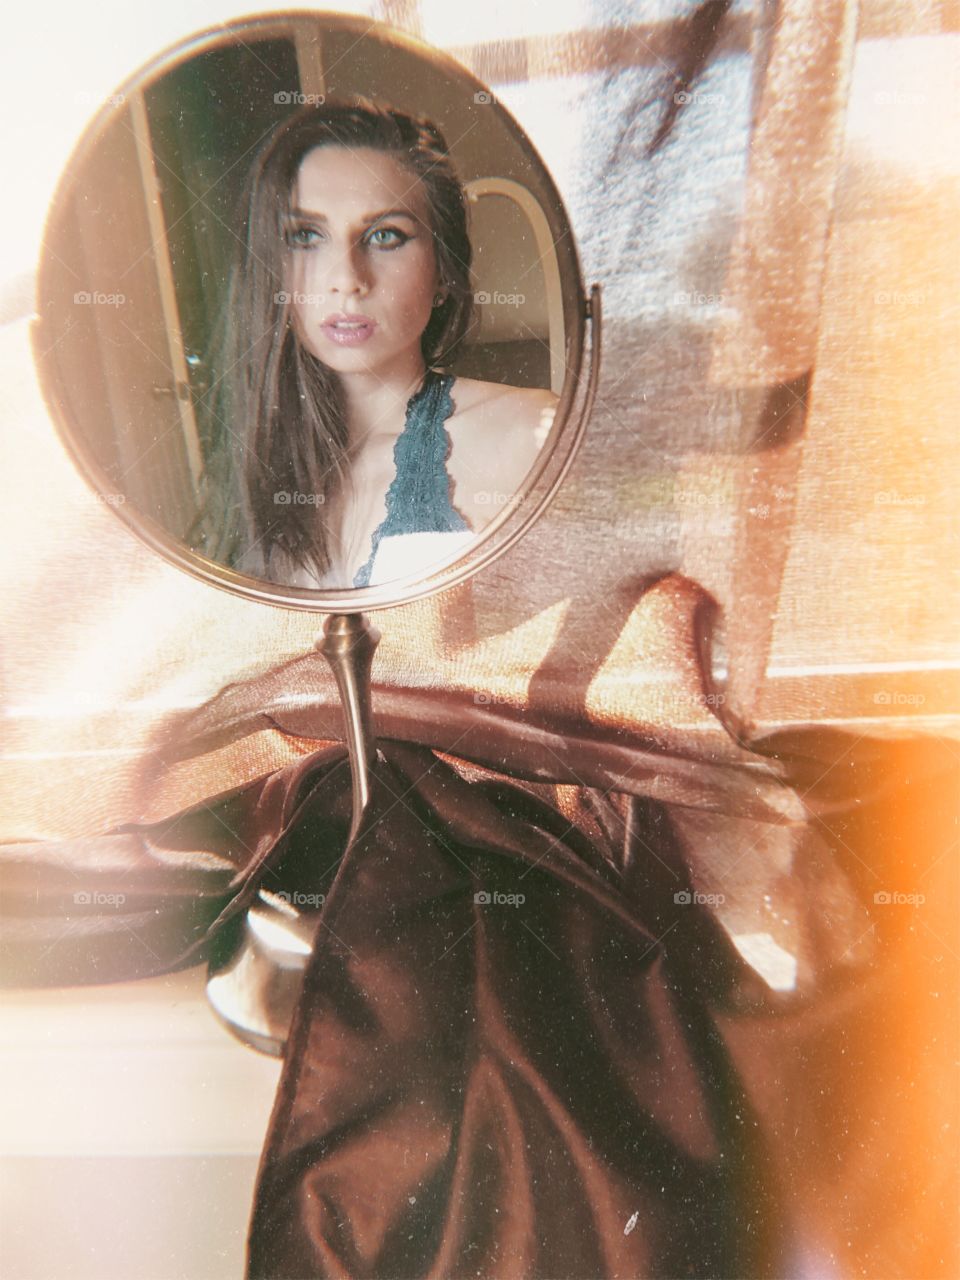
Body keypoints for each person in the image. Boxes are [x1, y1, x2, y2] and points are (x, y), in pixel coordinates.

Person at [197, 100, 558, 589]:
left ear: (443, 271)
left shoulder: (530, 436)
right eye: (305, 236)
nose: (347, 279)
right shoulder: (242, 474)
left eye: (385, 235)